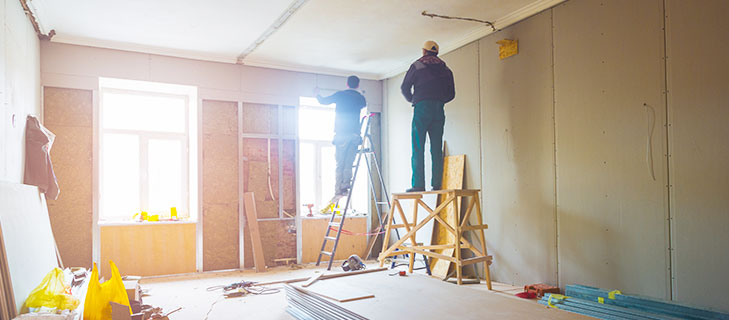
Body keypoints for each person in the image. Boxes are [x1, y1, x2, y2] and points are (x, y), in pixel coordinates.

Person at [400, 40, 455, 192]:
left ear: (424, 51)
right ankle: (437, 184)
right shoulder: (445, 69)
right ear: (436, 53)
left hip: (422, 107)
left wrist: (414, 100)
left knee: (418, 145)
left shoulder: (417, 65)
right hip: (438, 108)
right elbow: (452, 94)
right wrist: (440, 100)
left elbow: (405, 87)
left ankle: (418, 184)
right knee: (436, 147)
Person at [316, 75, 367, 201]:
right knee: (349, 163)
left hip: (341, 135)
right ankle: (344, 188)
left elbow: (323, 101)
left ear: (347, 84)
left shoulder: (340, 95)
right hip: (354, 135)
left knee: (340, 164)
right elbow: (363, 105)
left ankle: (338, 191)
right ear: (358, 85)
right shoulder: (360, 98)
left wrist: (317, 94)